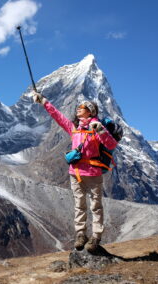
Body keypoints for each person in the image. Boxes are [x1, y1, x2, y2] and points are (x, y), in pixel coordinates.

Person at [32, 92, 118, 252]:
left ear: (90, 112)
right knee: (79, 205)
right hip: (75, 173)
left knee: (96, 206)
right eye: (78, 107)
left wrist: (100, 130)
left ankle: (96, 237)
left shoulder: (96, 128)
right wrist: (44, 101)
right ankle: (81, 234)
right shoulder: (74, 128)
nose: (78, 109)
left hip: (93, 173)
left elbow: (111, 145)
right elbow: (57, 116)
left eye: (82, 107)